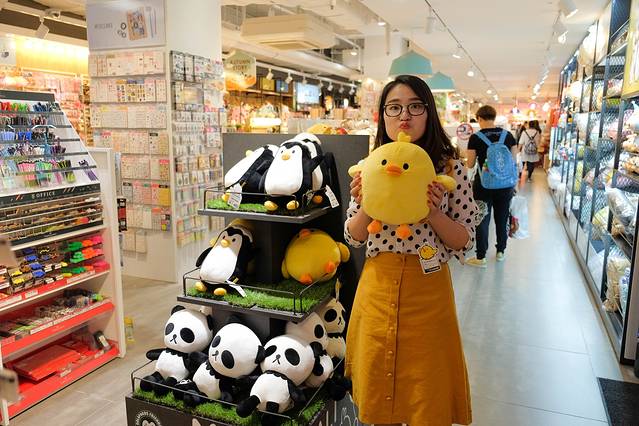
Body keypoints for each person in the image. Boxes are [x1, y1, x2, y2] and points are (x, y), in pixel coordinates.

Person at [344, 75, 476, 426]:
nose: (404, 115)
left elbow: (465, 239)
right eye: (394, 107)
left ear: (429, 112)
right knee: (377, 390)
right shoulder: (372, 165)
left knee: (426, 393)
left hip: (428, 293)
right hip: (377, 287)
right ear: (383, 116)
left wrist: (433, 212)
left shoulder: (451, 169)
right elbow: (353, 236)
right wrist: (367, 204)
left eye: (415, 106)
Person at [465, 105, 518, 267]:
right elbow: (514, 161)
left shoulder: (475, 138)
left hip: (483, 186)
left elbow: (470, 164)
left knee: (482, 219)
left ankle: (481, 257)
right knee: (502, 218)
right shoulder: (508, 136)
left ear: (480, 118)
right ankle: (501, 252)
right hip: (505, 185)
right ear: (494, 118)